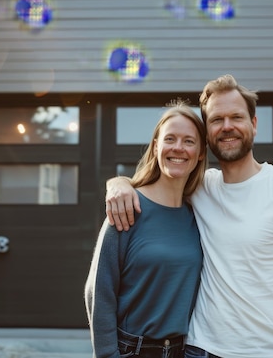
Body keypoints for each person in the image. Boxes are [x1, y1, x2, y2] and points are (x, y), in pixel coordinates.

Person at [106, 74, 273, 358]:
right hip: (199, 349)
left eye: (236, 117)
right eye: (217, 119)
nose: (227, 127)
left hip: (265, 351)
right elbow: (156, 184)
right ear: (207, 134)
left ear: (254, 125)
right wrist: (118, 183)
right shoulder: (199, 187)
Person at [85, 100, 208, 358]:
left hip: (184, 350)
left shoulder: (199, 213)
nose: (178, 148)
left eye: (189, 141)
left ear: (200, 153)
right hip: (133, 350)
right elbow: (99, 292)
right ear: (156, 147)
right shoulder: (128, 207)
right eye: (170, 139)